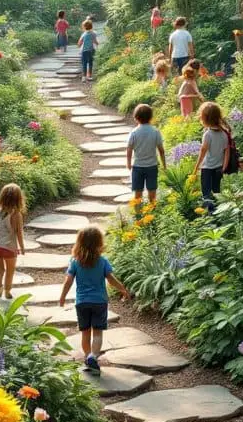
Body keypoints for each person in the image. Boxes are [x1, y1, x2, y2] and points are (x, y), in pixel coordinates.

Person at [59, 225, 129, 373]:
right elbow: (111, 279)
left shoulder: (75, 261)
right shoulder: (102, 261)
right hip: (99, 302)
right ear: (99, 243)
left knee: (85, 332)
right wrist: (122, 289)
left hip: (82, 302)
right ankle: (93, 355)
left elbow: (68, 281)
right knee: (97, 332)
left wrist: (62, 297)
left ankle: (87, 357)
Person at [0, 183, 26, 298]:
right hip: (9, 247)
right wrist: (21, 247)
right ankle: (7, 291)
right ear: (18, 198)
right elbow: (18, 232)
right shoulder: (16, 214)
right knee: (10, 271)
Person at [192, 102, 231, 212]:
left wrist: (195, 169)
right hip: (219, 168)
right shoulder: (224, 133)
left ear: (205, 119)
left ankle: (211, 217)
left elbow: (202, 152)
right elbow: (227, 151)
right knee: (216, 192)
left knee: (206, 194)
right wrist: (224, 167)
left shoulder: (208, 135)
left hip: (207, 169)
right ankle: (218, 214)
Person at [126, 103, 166, 204]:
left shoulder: (134, 132)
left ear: (136, 117)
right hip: (152, 166)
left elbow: (129, 149)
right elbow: (161, 150)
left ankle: (138, 214)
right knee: (152, 192)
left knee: (137, 193)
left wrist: (128, 163)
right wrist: (164, 165)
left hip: (137, 166)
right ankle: (152, 211)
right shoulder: (155, 132)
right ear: (151, 117)